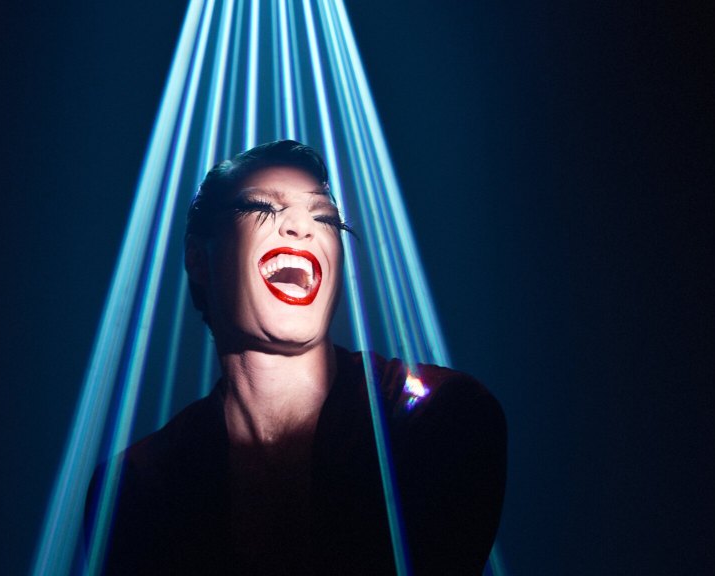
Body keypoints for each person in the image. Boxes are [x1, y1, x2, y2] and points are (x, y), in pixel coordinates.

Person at [78, 140, 506, 575]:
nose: (303, 226)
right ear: (197, 257)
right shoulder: (134, 487)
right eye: (262, 207)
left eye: (324, 217)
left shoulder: (434, 414)